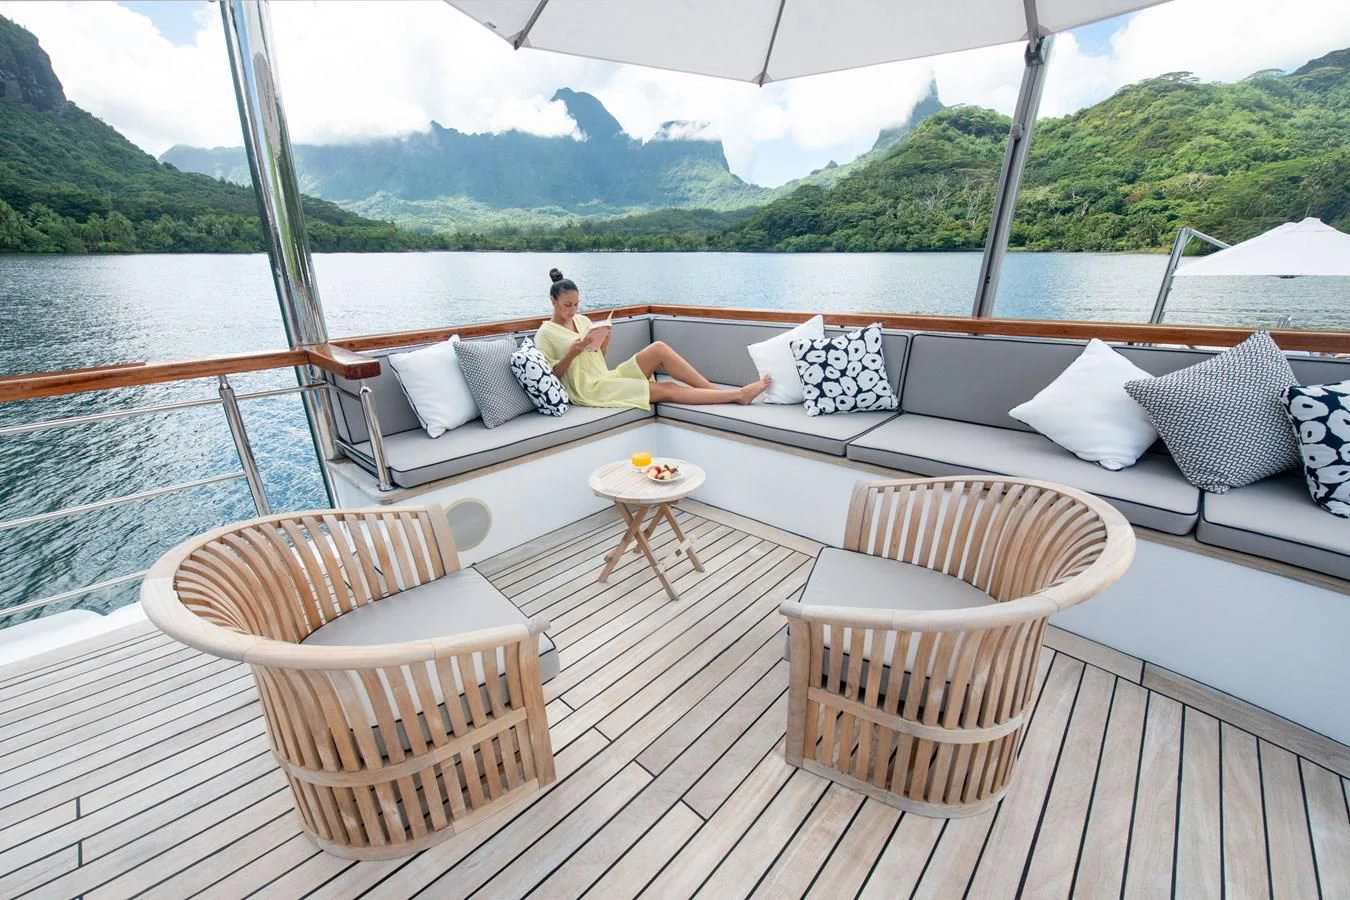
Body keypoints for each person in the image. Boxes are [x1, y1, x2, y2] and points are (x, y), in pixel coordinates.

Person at [534, 268, 770, 410]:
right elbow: (551, 377)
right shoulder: (545, 334)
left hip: (605, 377)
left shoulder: (583, 322)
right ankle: (738, 396)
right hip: (589, 391)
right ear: (553, 301)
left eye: (576, 304)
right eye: (567, 305)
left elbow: (598, 359)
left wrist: (604, 340)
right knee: (665, 387)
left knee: (658, 348)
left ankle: (713, 392)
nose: (573, 310)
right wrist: (571, 353)